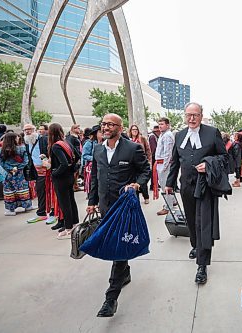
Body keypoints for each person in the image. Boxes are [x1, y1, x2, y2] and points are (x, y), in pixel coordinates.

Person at [86, 113, 150, 317]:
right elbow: (95, 177)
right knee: (118, 245)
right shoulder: (97, 149)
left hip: (124, 206)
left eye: (110, 124)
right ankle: (125, 273)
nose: (105, 127)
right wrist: (91, 201)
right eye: (103, 124)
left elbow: (145, 171)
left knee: (117, 248)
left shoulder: (133, 148)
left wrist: (137, 184)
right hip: (105, 206)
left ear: (120, 128)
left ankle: (110, 298)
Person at [165, 102, 228, 284]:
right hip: (186, 185)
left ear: (201, 115)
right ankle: (195, 244)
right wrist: (170, 183)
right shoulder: (179, 135)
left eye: (195, 115)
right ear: (185, 116)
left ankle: (202, 264)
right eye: (188, 115)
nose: (191, 118)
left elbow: (224, 157)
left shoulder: (212, 132)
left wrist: (208, 164)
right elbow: (174, 161)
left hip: (205, 186)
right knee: (191, 220)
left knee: (204, 223)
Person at [48, 123, 80, 239]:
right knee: (71, 201)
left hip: (61, 178)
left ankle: (69, 228)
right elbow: (77, 156)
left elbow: (63, 163)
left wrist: (54, 173)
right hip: (69, 177)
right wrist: (72, 168)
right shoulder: (67, 142)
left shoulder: (56, 146)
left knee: (65, 203)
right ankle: (75, 224)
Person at [23, 124, 53, 223]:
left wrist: (48, 161)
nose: (27, 132)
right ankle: (41, 213)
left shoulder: (43, 139)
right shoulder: (27, 142)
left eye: (29, 129)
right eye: (25, 130)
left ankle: (53, 212)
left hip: (48, 169)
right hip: (37, 171)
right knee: (40, 191)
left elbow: (51, 152)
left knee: (50, 191)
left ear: (34, 130)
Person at [0, 133, 33, 216]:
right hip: (20, 173)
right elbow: (25, 161)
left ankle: (10, 209)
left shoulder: (0, 150)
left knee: (9, 190)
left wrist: (10, 169)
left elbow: (0, 162)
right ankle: (27, 206)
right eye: (17, 138)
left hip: (8, 174)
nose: (18, 139)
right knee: (23, 189)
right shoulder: (22, 149)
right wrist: (17, 168)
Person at [154, 117, 175, 215]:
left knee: (165, 186)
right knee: (164, 185)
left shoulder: (167, 135)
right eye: (159, 124)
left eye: (162, 124)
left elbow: (168, 152)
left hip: (164, 164)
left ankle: (168, 207)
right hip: (160, 163)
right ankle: (172, 201)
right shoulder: (163, 135)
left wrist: (165, 167)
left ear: (167, 125)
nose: (160, 126)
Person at [128, 124, 152, 204]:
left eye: (136, 129)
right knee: (134, 181)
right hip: (132, 164)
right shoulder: (128, 140)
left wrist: (149, 161)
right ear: (130, 131)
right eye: (133, 129)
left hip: (142, 162)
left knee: (142, 181)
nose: (135, 131)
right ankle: (135, 198)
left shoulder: (142, 139)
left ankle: (146, 197)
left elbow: (148, 150)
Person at [82, 125, 102, 197]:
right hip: (92, 167)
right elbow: (84, 155)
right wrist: (94, 158)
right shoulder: (89, 143)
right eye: (99, 132)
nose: (102, 133)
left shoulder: (105, 142)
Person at [66, 124, 82, 191]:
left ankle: (76, 185)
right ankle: (73, 186)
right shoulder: (71, 137)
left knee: (77, 172)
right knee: (74, 172)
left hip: (78, 155)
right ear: (73, 129)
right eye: (77, 128)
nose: (79, 129)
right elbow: (71, 147)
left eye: (79, 128)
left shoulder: (76, 137)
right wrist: (76, 156)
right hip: (75, 157)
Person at [148, 125, 160, 190]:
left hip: (154, 156)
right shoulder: (152, 137)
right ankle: (153, 185)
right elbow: (154, 148)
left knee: (155, 172)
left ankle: (155, 184)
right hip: (154, 156)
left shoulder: (154, 136)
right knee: (154, 172)